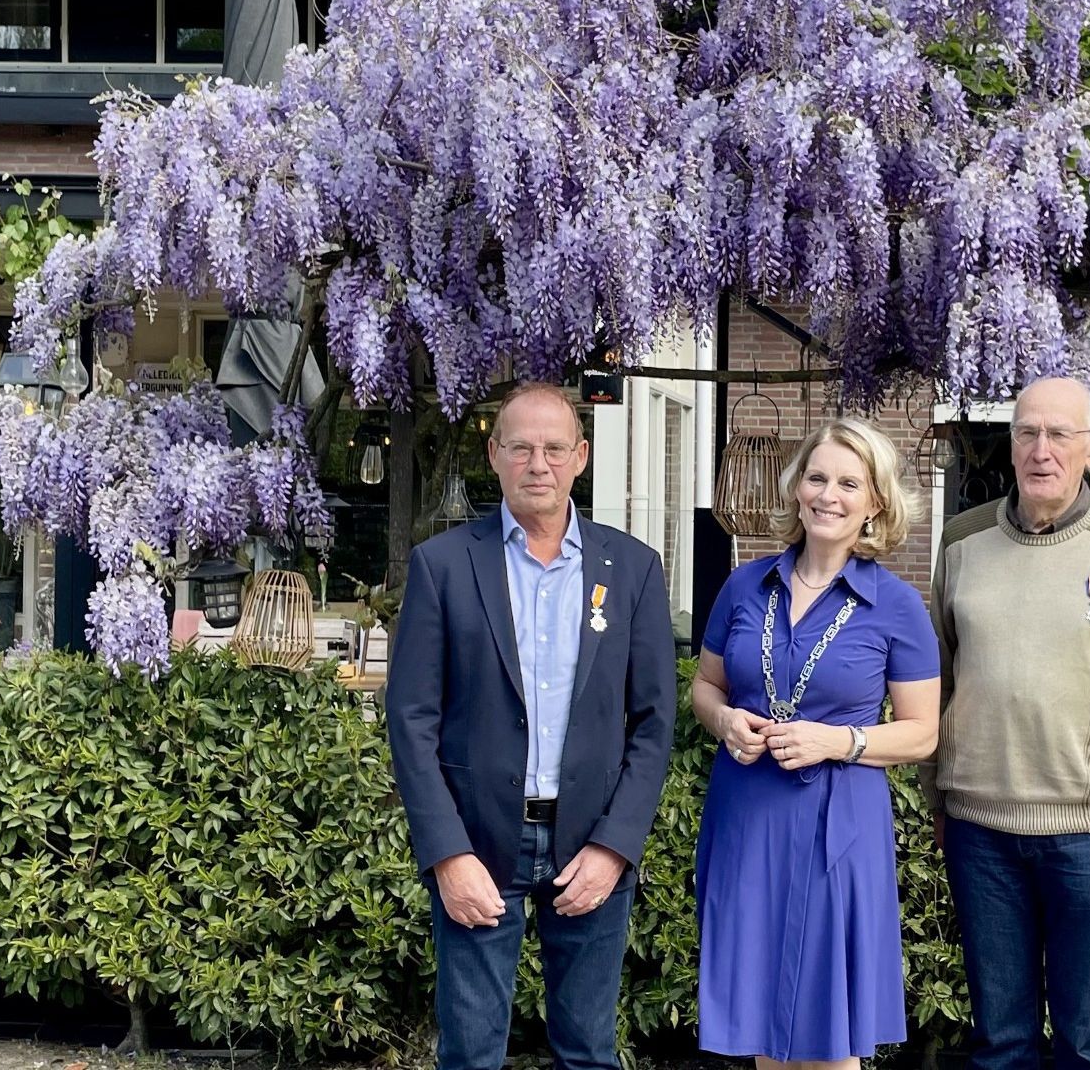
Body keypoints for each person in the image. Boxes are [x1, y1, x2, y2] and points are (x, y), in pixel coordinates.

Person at [386, 382, 677, 1070]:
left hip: (589, 840)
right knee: (470, 1053)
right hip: (480, 840)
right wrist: (446, 855)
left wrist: (616, 847)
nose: (537, 464)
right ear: (494, 455)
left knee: (588, 1051)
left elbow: (653, 722)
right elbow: (412, 719)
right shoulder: (445, 565)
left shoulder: (631, 568)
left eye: (553, 449)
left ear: (580, 456)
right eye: (520, 447)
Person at [924, 376, 1090, 1070]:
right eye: (1027, 433)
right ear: (1010, 444)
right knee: (1000, 1043)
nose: (1042, 451)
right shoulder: (961, 542)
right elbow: (940, 682)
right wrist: (937, 795)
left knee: (1089, 1045)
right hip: (981, 830)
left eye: (1060, 435)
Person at [691, 417, 941, 1068]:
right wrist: (725, 724)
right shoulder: (744, 586)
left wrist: (836, 741)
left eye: (849, 483)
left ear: (875, 501)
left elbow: (921, 732)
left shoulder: (898, 605)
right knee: (760, 1028)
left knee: (830, 1035)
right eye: (817, 477)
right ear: (796, 488)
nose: (829, 495)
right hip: (748, 817)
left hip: (840, 829)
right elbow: (705, 689)